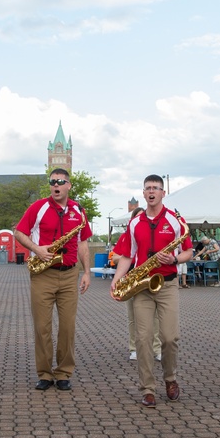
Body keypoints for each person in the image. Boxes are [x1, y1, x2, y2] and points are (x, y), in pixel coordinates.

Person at [111, 175, 192, 407]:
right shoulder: (135, 222)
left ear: (163, 193)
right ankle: (147, 388)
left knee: (169, 337)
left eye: (156, 188)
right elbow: (127, 254)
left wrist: (175, 258)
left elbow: (189, 252)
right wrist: (117, 279)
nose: (152, 191)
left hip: (167, 284)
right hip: (142, 286)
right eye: (148, 188)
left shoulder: (176, 221)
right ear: (144, 193)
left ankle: (170, 378)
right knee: (143, 339)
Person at [14, 168, 92, 392]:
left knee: (67, 327)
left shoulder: (78, 210)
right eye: (52, 182)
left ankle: (64, 372)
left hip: (69, 275)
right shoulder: (38, 207)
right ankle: (45, 373)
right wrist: (37, 249)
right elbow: (19, 232)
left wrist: (86, 272)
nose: (56, 185)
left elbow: (83, 242)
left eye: (60, 182)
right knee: (42, 327)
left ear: (69, 185)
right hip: (43, 274)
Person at [113, 207, 161, 362]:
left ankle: (156, 348)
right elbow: (114, 257)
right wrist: (131, 259)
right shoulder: (127, 235)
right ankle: (134, 348)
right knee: (133, 317)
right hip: (133, 279)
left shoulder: (154, 233)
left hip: (150, 277)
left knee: (155, 318)